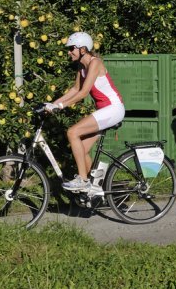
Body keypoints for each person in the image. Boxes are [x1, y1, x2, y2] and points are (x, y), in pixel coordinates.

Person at [44, 32, 125, 192]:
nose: (69, 52)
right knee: (81, 147)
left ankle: (83, 180)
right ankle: (97, 188)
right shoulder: (82, 66)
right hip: (104, 111)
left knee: (72, 132)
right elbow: (75, 89)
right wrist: (52, 104)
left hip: (114, 108)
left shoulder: (95, 63)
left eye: (71, 49)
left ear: (82, 49)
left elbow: (83, 93)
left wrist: (60, 107)